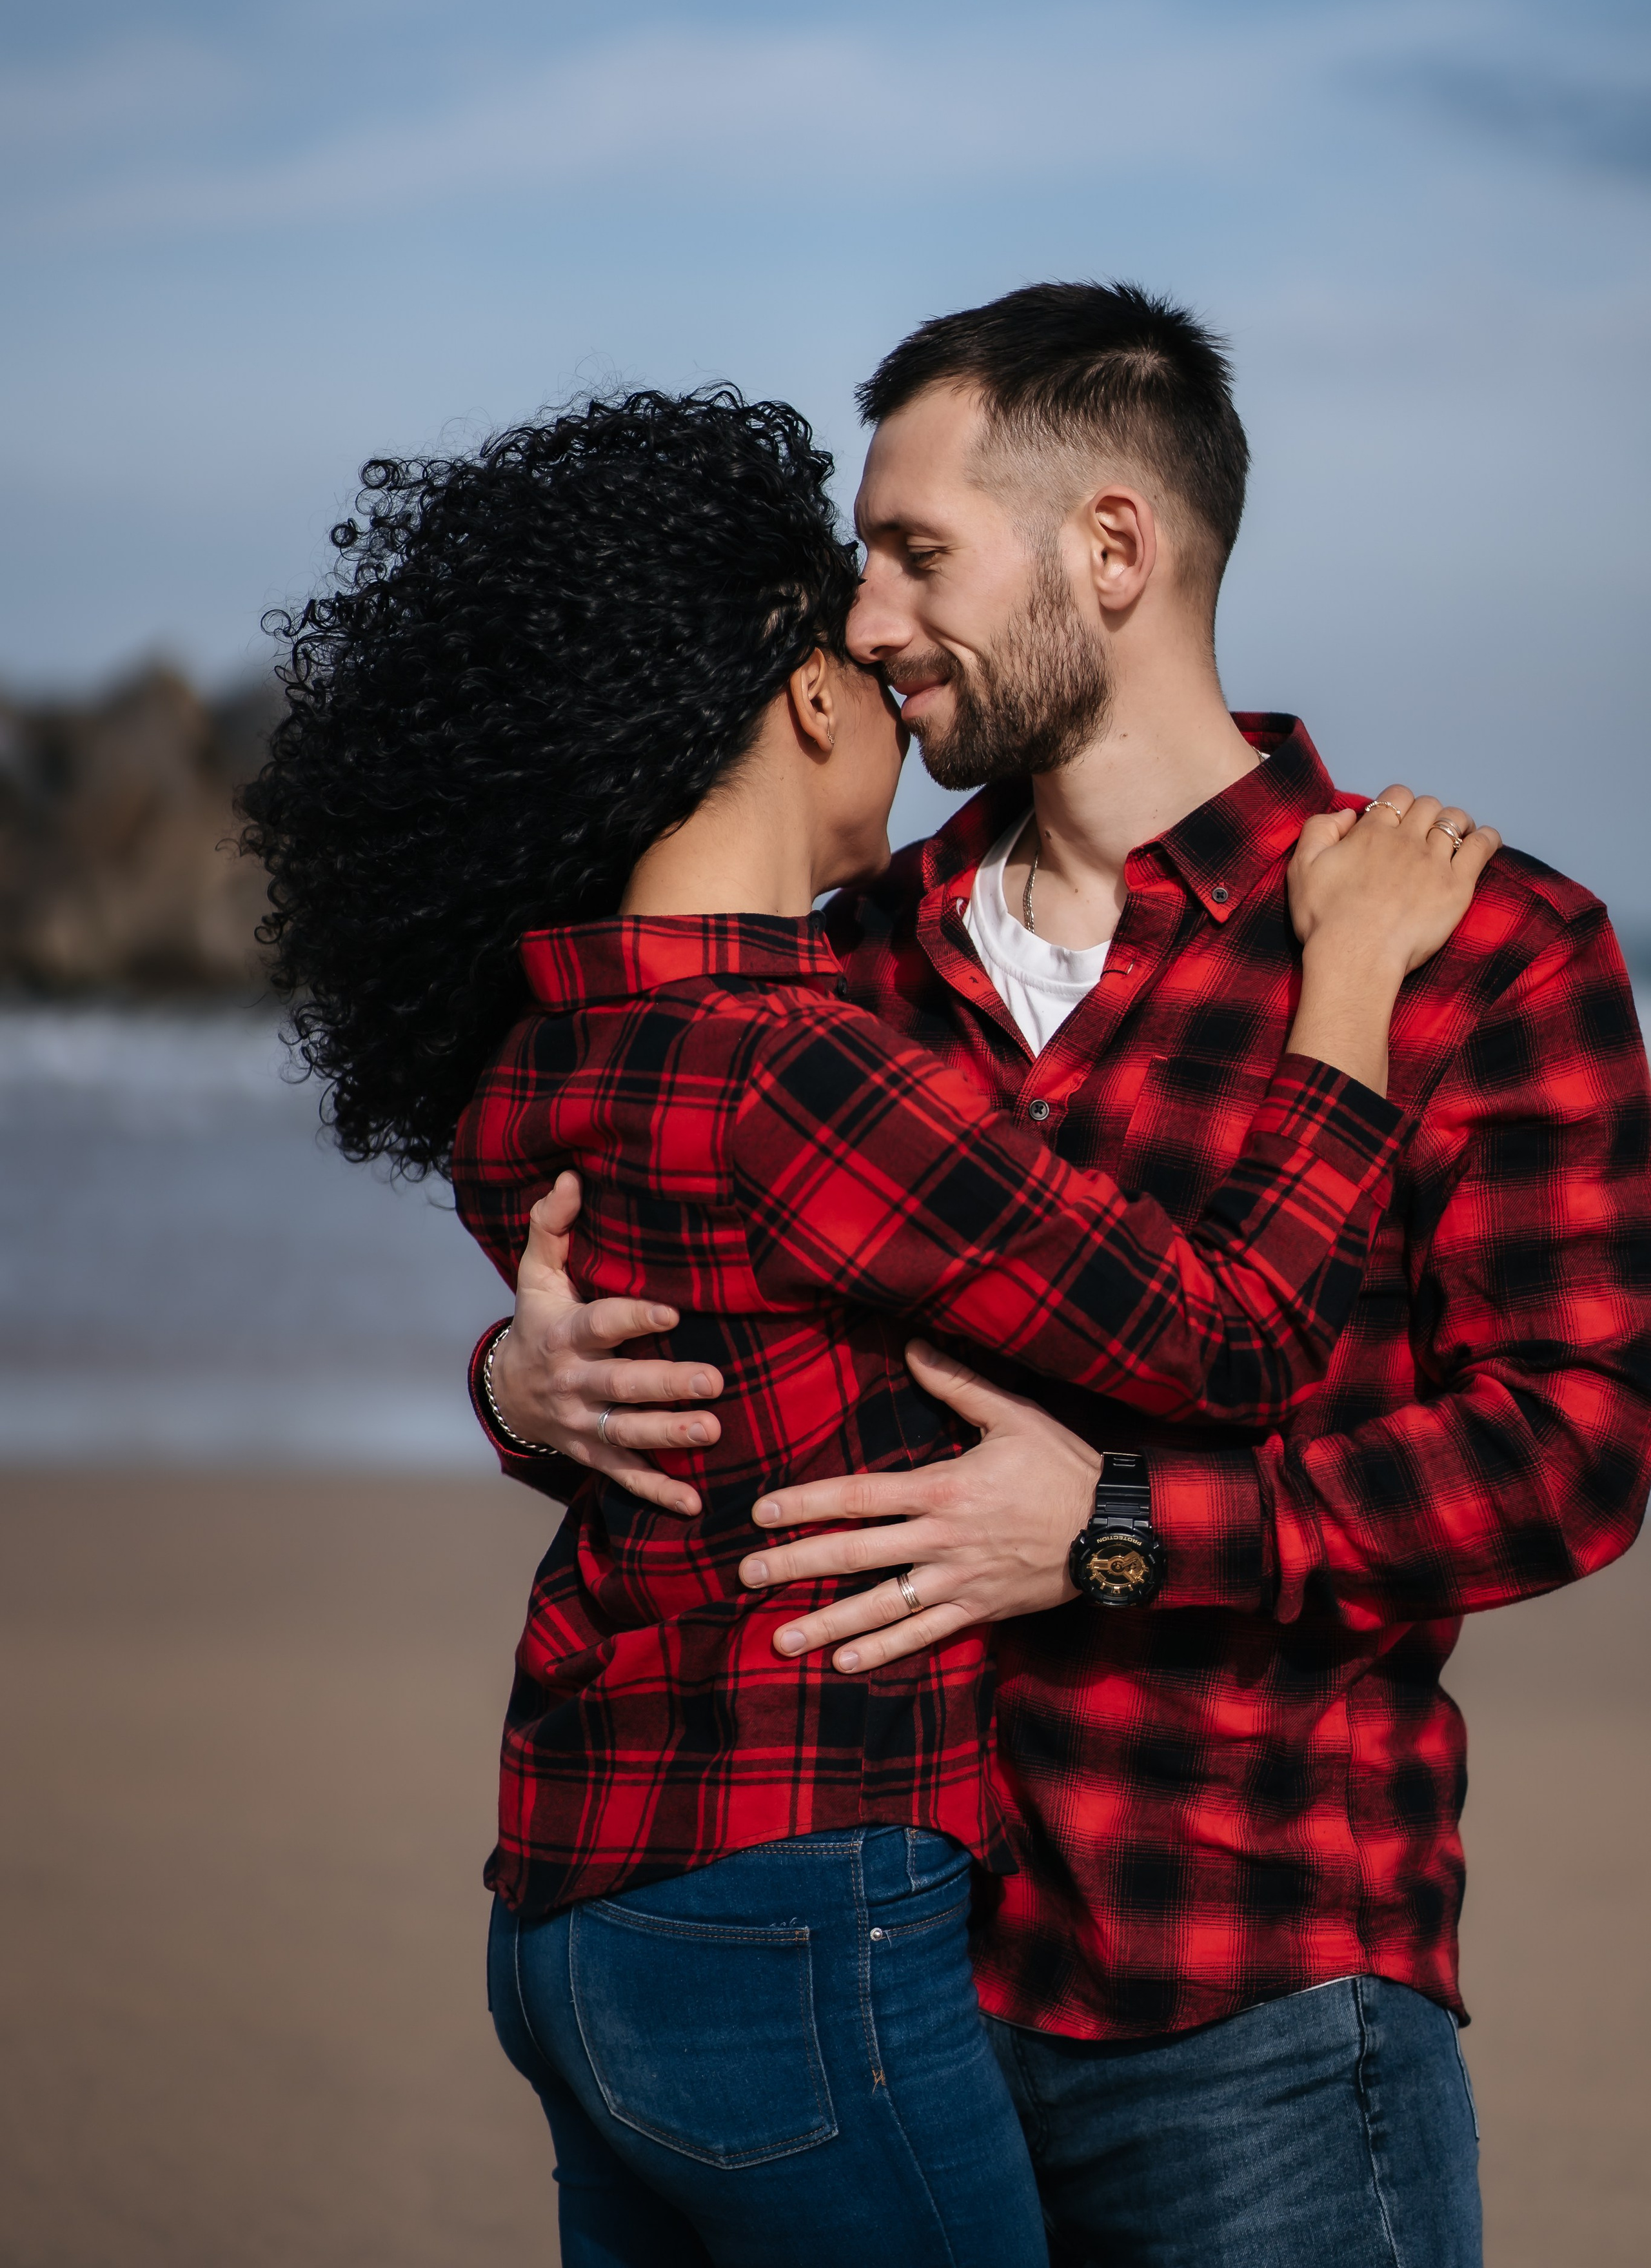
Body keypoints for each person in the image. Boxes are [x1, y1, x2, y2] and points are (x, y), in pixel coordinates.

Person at [242, 386, 1494, 2268]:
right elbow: (1230, 1336)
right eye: (863, 615)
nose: (894, 658)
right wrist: (1351, 989)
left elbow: (678, 1355)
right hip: (794, 1888)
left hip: (583, 1882)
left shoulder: (542, 1056)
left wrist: (520, 1381)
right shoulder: (815, 1053)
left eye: (920, 563)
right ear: (804, 699)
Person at [493, 287, 1651, 2268]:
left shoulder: (1482, 945)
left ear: (1111, 552)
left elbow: (1570, 1454)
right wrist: (524, 1387)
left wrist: (1111, 1536)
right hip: (869, 1983)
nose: (863, 622)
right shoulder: (844, 956)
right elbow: (694, 1302)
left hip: (1254, 1990)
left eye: (916, 554)